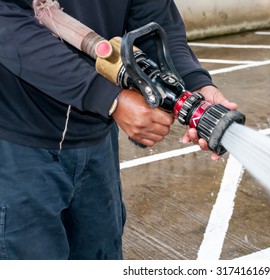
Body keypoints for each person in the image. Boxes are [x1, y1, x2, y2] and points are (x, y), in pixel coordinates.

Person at [0, 0, 237, 259]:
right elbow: (8, 23)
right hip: (18, 144)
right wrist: (110, 98)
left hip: (96, 142)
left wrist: (194, 85)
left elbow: (156, 23)